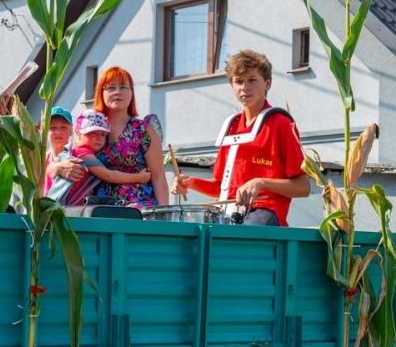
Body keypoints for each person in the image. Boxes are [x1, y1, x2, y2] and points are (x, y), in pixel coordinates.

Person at [174, 49, 310, 226]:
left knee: (240, 236)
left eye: (252, 80)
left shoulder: (281, 124)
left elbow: (303, 187)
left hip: (266, 211)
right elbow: (221, 187)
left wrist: (261, 183)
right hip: (229, 212)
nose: (244, 87)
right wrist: (191, 183)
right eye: (238, 81)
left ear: (267, 83)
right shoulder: (231, 126)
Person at [89, 67, 169, 210]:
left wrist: (164, 215)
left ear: (131, 94)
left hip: (139, 210)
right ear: (101, 93)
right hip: (100, 209)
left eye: (123, 87)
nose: (117, 92)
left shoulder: (144, 130)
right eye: (111, 88)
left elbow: (158, 177)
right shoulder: (90, 129)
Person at [48, 111, 151, 206]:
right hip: (68, 206)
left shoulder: (80, 152)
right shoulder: (82, 153)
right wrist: (139, 177)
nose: (99, 138)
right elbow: (108, 175)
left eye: (103, 134)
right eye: (92, 133)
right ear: (78, 134)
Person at [42, 106, 74, 193]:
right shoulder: (42, 160)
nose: (58, 132)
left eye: (63, 127)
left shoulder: (76, 156)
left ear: (71, 131)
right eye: (52, 128)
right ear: (44, 131)